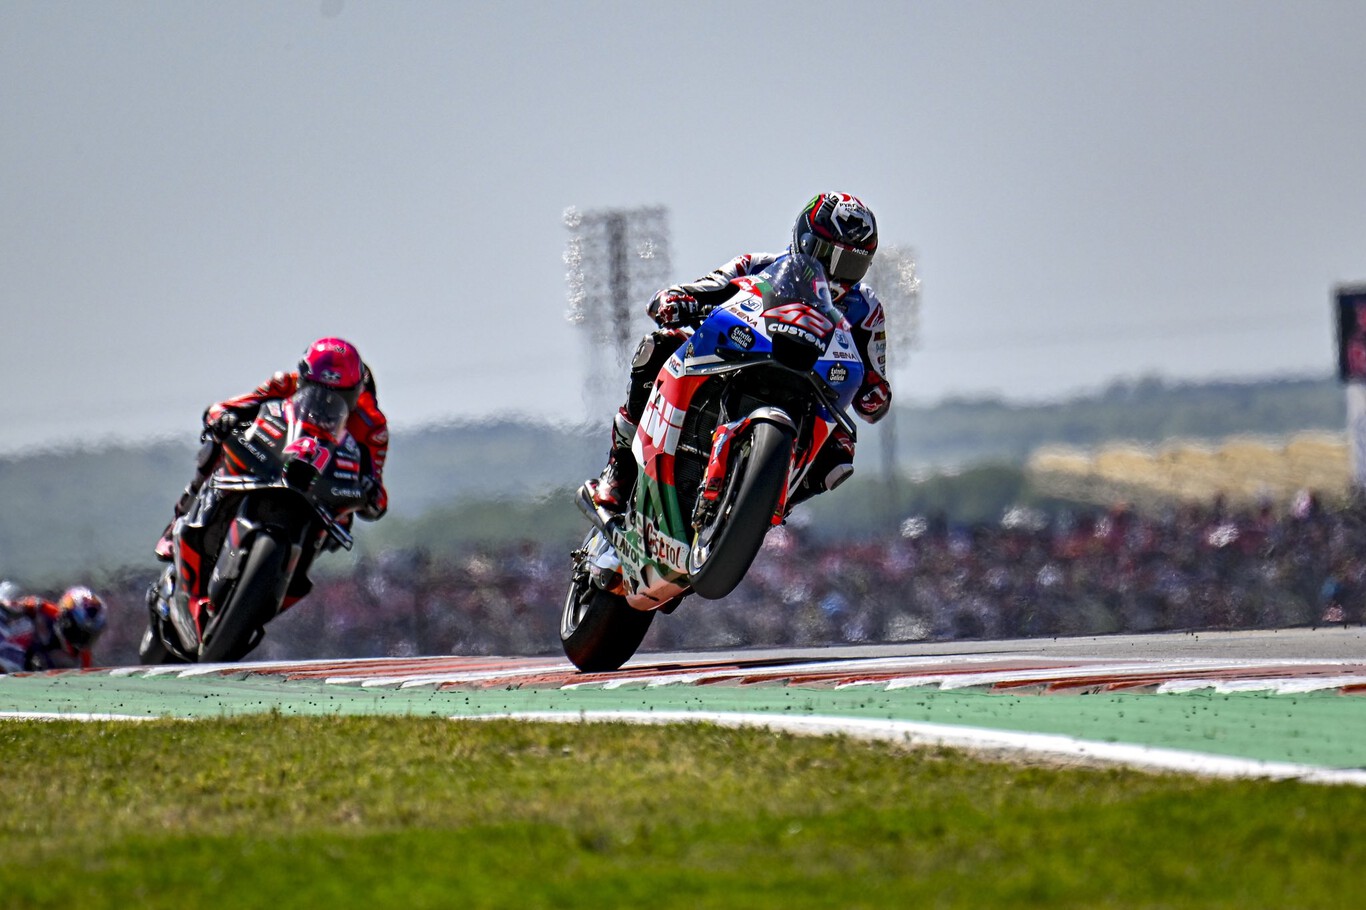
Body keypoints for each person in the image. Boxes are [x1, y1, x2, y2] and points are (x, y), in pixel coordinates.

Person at [584, 192, 891, 513]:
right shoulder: (758, 265)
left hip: (811, 390)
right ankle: (620, 465)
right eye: (831, 256)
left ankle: (764, 505)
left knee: (842, 451)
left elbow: (874, 382)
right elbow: (706, 288)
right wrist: (678, 299)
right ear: (805, 239)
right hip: (745, 357)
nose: (837, 272)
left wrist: (876, 393)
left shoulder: (866, 308)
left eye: (853, 264)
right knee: (661, 344)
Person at [153, 337, 389, 561]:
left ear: (356, 393)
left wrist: (369, 490)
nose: (324, 402)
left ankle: (288, 573)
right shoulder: (285, 383)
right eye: (314, 390)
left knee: (340, 528)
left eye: (338, 396)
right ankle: (181, 516)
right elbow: (223, 409)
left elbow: (377, 498)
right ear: (303, 379)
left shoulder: (371, 425)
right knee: (217, 442)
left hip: (324, 491)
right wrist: (224, 417)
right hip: (273, 461)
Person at [0, 584, 107, 672]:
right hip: (19, 657)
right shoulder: (43, 610)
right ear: (67, 619)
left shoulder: (83, 657)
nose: (84, 639)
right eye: (82, 633)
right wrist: (13, 608)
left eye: (90, 635)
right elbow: (14, 604)